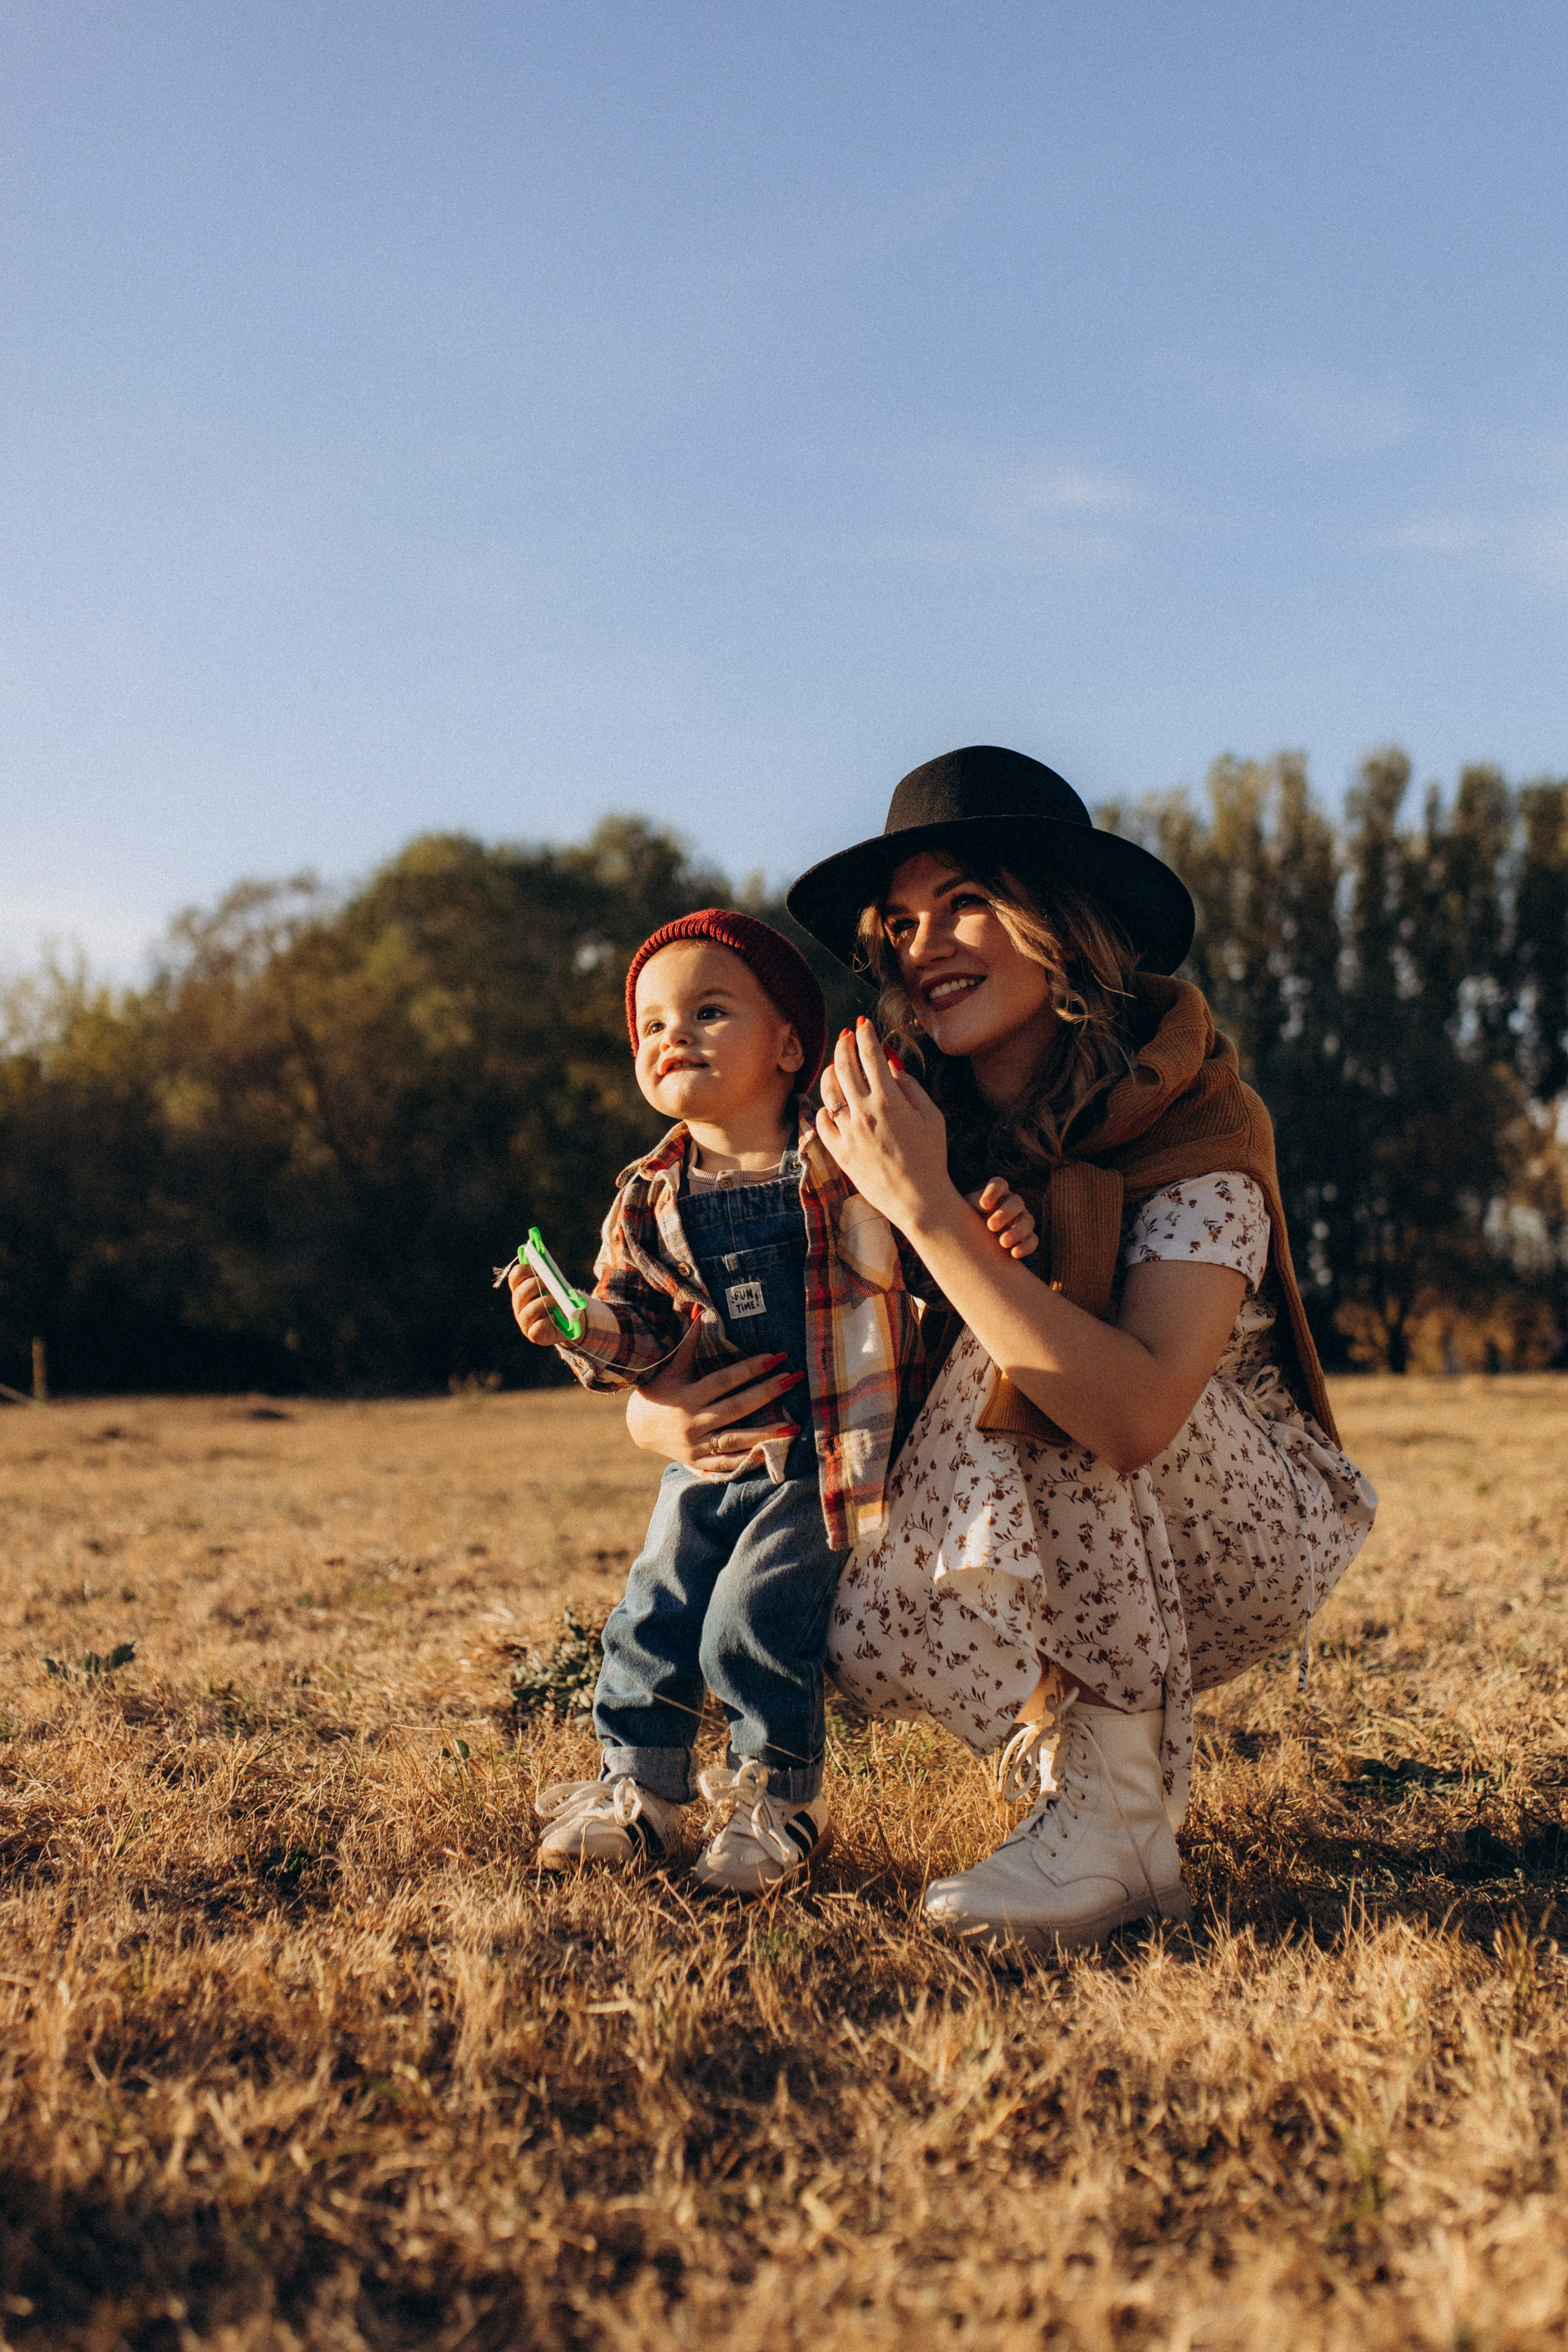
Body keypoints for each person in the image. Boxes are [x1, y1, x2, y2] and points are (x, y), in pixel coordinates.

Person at [630, 746, 1377, 1953]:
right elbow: (784, 1329)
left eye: (966, 901)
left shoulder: (1194, 1115)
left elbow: (1130, 1413)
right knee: (830, 1565)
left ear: (1060, 920)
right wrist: (654, 1417)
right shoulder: (901, 1115)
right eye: (902, 920)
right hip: (1044, 1522)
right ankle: (1064, 1764)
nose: (924, 944)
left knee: (1026, 1340)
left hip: (1239, 1533)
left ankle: (1118, 1818)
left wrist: (925, 1208)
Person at [508, 906, 1035, 1897]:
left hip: (828, 1453)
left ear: (790, 1045)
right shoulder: (648, 1194)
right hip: (707, 1457)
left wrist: (992, 1222)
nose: (675, 1037)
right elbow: (643, 1329)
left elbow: (933, 1248)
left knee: (747, 1621)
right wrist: (576, 1330)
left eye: (710, 1012)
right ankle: (641, 1793)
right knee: (651, 1610)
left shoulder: (842, 1155)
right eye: (653, 1026)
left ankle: (775, 1804)